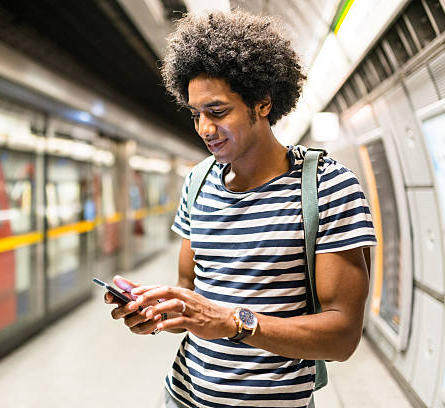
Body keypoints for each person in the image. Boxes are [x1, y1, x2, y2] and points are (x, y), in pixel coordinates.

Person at [105, 10, 376, 408]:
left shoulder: (328, 188)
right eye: (196, 114)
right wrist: (155, 312)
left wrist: (234, 323)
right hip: (183, 397)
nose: (204, 129)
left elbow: (342, 336)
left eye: (217, 112)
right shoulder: (197, 184)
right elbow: (189, 291)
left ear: (262, 103)